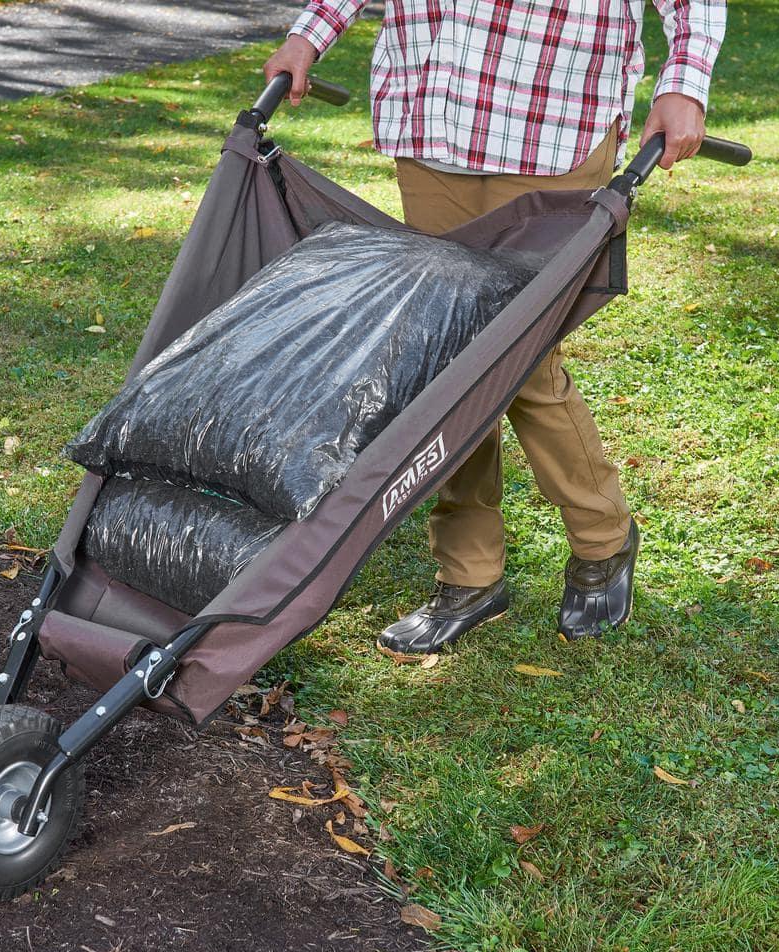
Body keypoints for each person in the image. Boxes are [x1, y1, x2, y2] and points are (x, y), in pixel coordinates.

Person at [264, 0, 726, 654]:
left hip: (552, 117)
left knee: (525, 359)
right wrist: (308, 38)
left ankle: (603, 538)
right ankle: (468, 572)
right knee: (448, 355)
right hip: (434, 113)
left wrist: (683, 86)